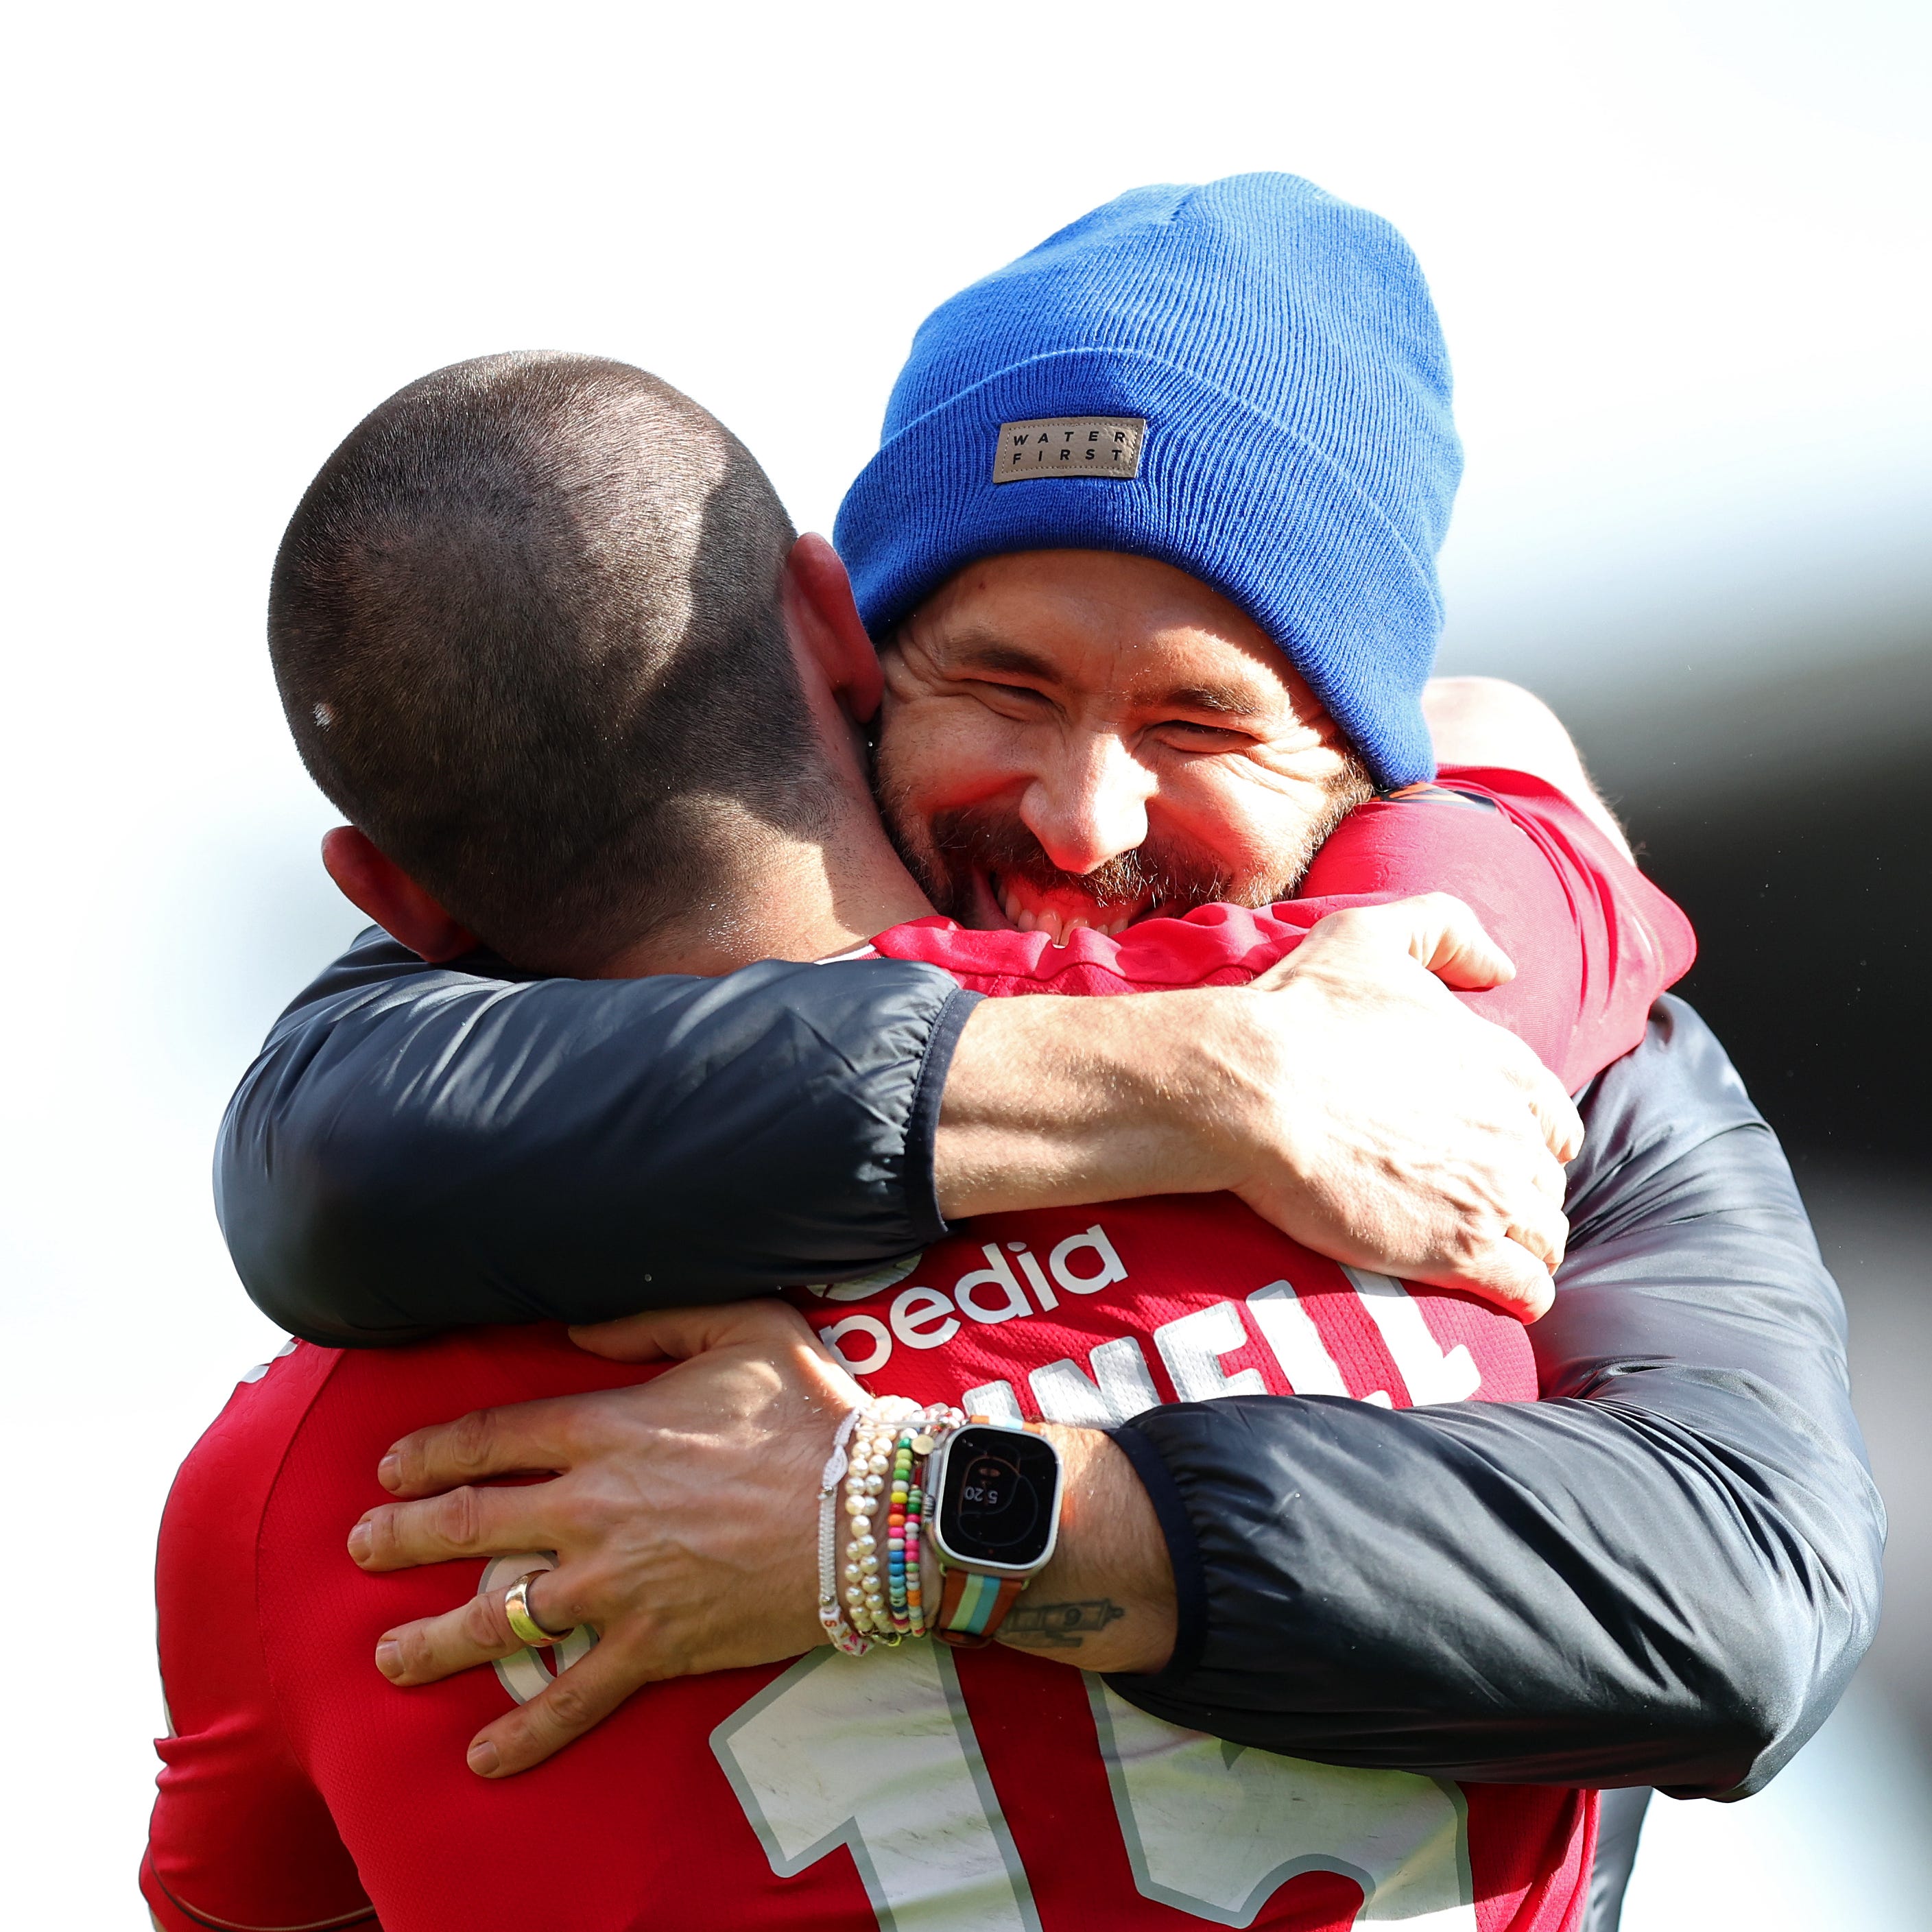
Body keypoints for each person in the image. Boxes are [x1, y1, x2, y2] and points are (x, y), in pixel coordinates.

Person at [178, 179, 1876, 1915]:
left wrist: (902, 1510)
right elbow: (330, 1144)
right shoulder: (1514, 952)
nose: (1081, 821)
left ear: (1366, 764)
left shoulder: (1548, 1069)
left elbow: (1741, 1603)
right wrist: (1213, 1074)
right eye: (1002, 686)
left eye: (1200, 719)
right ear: (853, 665)